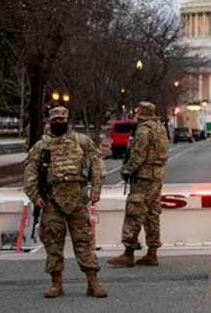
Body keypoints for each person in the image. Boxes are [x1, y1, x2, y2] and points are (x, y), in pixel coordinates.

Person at [23, 106, 107, 299]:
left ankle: (93, 282)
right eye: (56, 119)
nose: (59, 122)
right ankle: (56, 283)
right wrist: (34, 196)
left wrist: (95, 189)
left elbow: (97, 164)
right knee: (52, 243)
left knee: (84, 241)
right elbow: (31, 172)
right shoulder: (41, 146)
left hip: (77, 200)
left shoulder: (82, 141)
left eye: (62, 119)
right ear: (50, 121)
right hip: (52, 201)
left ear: (67, 120)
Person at [109, 101, 169, 268]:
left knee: (134, 212)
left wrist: (127, 170)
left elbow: (138, 155)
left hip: (143, 177)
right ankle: (152, 252)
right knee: (152, 213)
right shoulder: (161, 129)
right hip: (157, 177)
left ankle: (128, 253)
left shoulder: (143, 131)